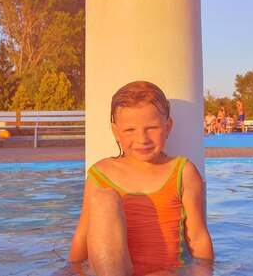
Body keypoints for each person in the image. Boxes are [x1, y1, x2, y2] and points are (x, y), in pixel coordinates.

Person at [69, 81, 214, 275]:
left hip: (163, 272)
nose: (142, 139)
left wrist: (205, 271)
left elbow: (197, 236)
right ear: (116, 132)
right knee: (105, 200)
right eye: (130, 130)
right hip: (111, 270)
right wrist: (71, 270)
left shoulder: (183, 171)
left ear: (167, 127)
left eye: (152, 128)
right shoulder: (100, 173)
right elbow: (83, 233)